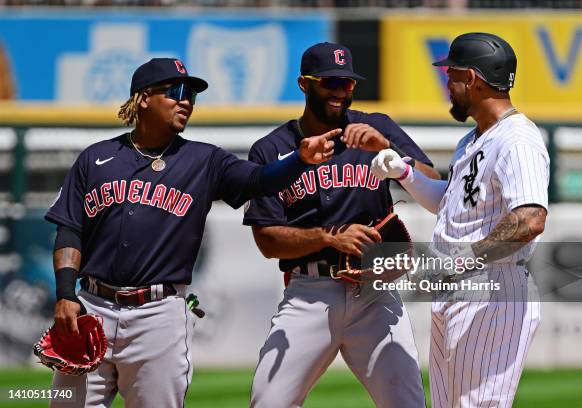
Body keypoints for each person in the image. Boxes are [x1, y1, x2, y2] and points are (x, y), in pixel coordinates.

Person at [45, 57, 339, 408]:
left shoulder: (205, 161)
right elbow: (69, 229)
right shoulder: (96, 159)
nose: (186, 101)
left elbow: (259, 180)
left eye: (192, 95)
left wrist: (298, 161)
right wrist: (65, 292)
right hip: (92, 307)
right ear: (143, 98)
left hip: (158, 316)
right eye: (177, 91)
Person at [243, 42, 440, 408]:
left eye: (347, 84)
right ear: (304, 84)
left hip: (374, 294)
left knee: (408, 403)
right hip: (310, 292)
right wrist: (328, 238)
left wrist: (390, 152)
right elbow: (267, 240)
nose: (339, 92)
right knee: (267, 402)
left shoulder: (376, 127)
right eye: (329, 82)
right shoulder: (271, 150)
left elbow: (432, 182)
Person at [371, 32, 549, 407]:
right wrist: (404, 173)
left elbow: (530, 219)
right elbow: (451, 206)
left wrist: (461, 259)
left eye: (450, 75)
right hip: (459, 284)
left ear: (472, 78)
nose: (447, 84)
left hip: (492, 288)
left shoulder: (518, 140)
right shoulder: (472, 139)